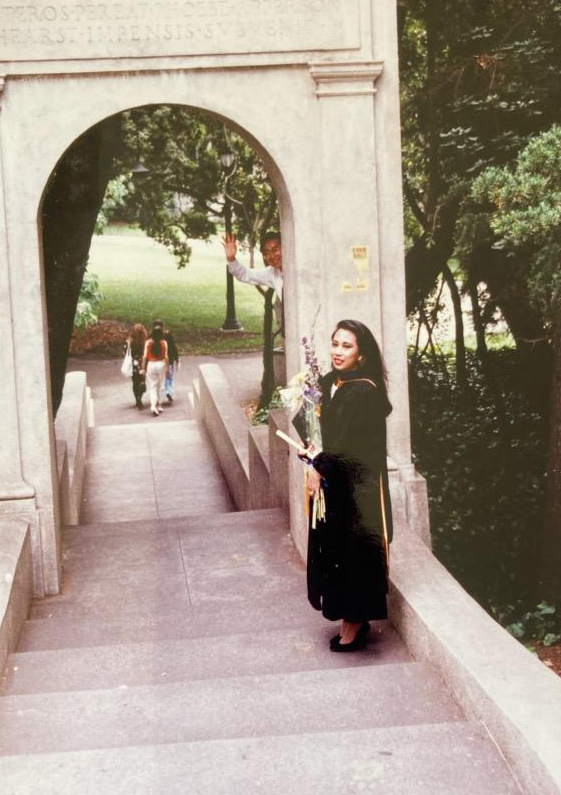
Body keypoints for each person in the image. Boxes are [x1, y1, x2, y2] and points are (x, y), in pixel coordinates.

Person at [304, 319, 393, 652]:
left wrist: (320, 465)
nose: (338, 352)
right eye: (335, 343)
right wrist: (312, 448)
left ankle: (354, 625)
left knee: (353, 554)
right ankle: (351, 618)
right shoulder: (333, 382)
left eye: (347, 346)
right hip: (337, 484)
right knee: (337, 551)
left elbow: (349, 444)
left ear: (362, 355)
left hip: (358, 489)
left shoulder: (364, 391)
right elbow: (318, 424)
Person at [222, 231, 284, 334]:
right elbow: (246, 274)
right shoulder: (272, 274)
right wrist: (231, 258)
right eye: (267, 253)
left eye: (275, 250)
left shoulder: (301, 269)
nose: (272, 256)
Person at [141, 324, 168, 416]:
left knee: (152, 386)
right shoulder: (164, 343)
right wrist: (167, 369)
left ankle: (153, 405)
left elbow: (144, 357)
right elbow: (166, 357)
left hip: (151, 365)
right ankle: (159, 405)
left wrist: (143, 368)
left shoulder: (148, 343)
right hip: (161, 364)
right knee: (160, 386)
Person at [153, 318, 179, 402]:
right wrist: (176, 358)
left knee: (157, 378)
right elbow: (173, 346)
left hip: (157, 360)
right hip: (168, 359)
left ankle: (157, 394)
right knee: (169, 376)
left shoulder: (152, 336)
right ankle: (169, 391)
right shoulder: (167, 335)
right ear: (163, 326)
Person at [124, 323, 147, 409]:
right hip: (142, 363)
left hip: (133, 363)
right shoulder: (145, 341)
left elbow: (124, 352)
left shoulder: (130, 341)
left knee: (135, 382)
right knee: (142, 381)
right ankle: (139, 397)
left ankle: (137, 399)